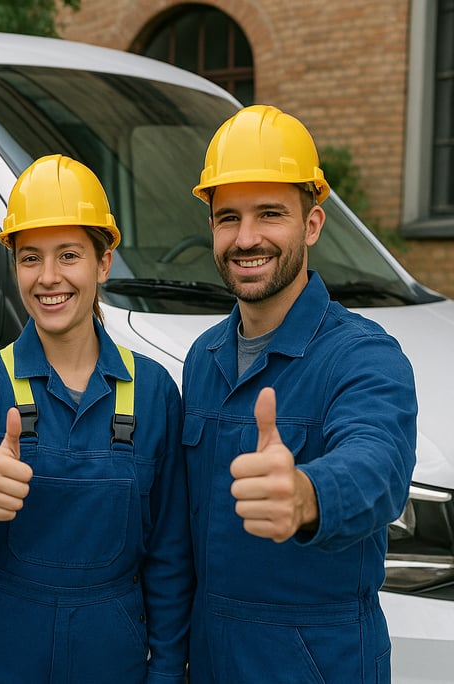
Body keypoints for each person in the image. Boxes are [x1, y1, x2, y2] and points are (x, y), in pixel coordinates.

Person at [0, 154, 192, 682]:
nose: (48, 278)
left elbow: (169, 552)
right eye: (30, 258)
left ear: (104, 261)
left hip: (111, 656)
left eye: (68, 255)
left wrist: (164, 670)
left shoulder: (153, 392)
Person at [184, 104, 417, 682]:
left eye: (270, 215)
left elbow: (379, 465)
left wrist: (308, 493)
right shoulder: (201, 358)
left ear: (312, 224)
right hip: (210, 657)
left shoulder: (363, 355)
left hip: (317, 665)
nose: (246, 238)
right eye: (228, 218)